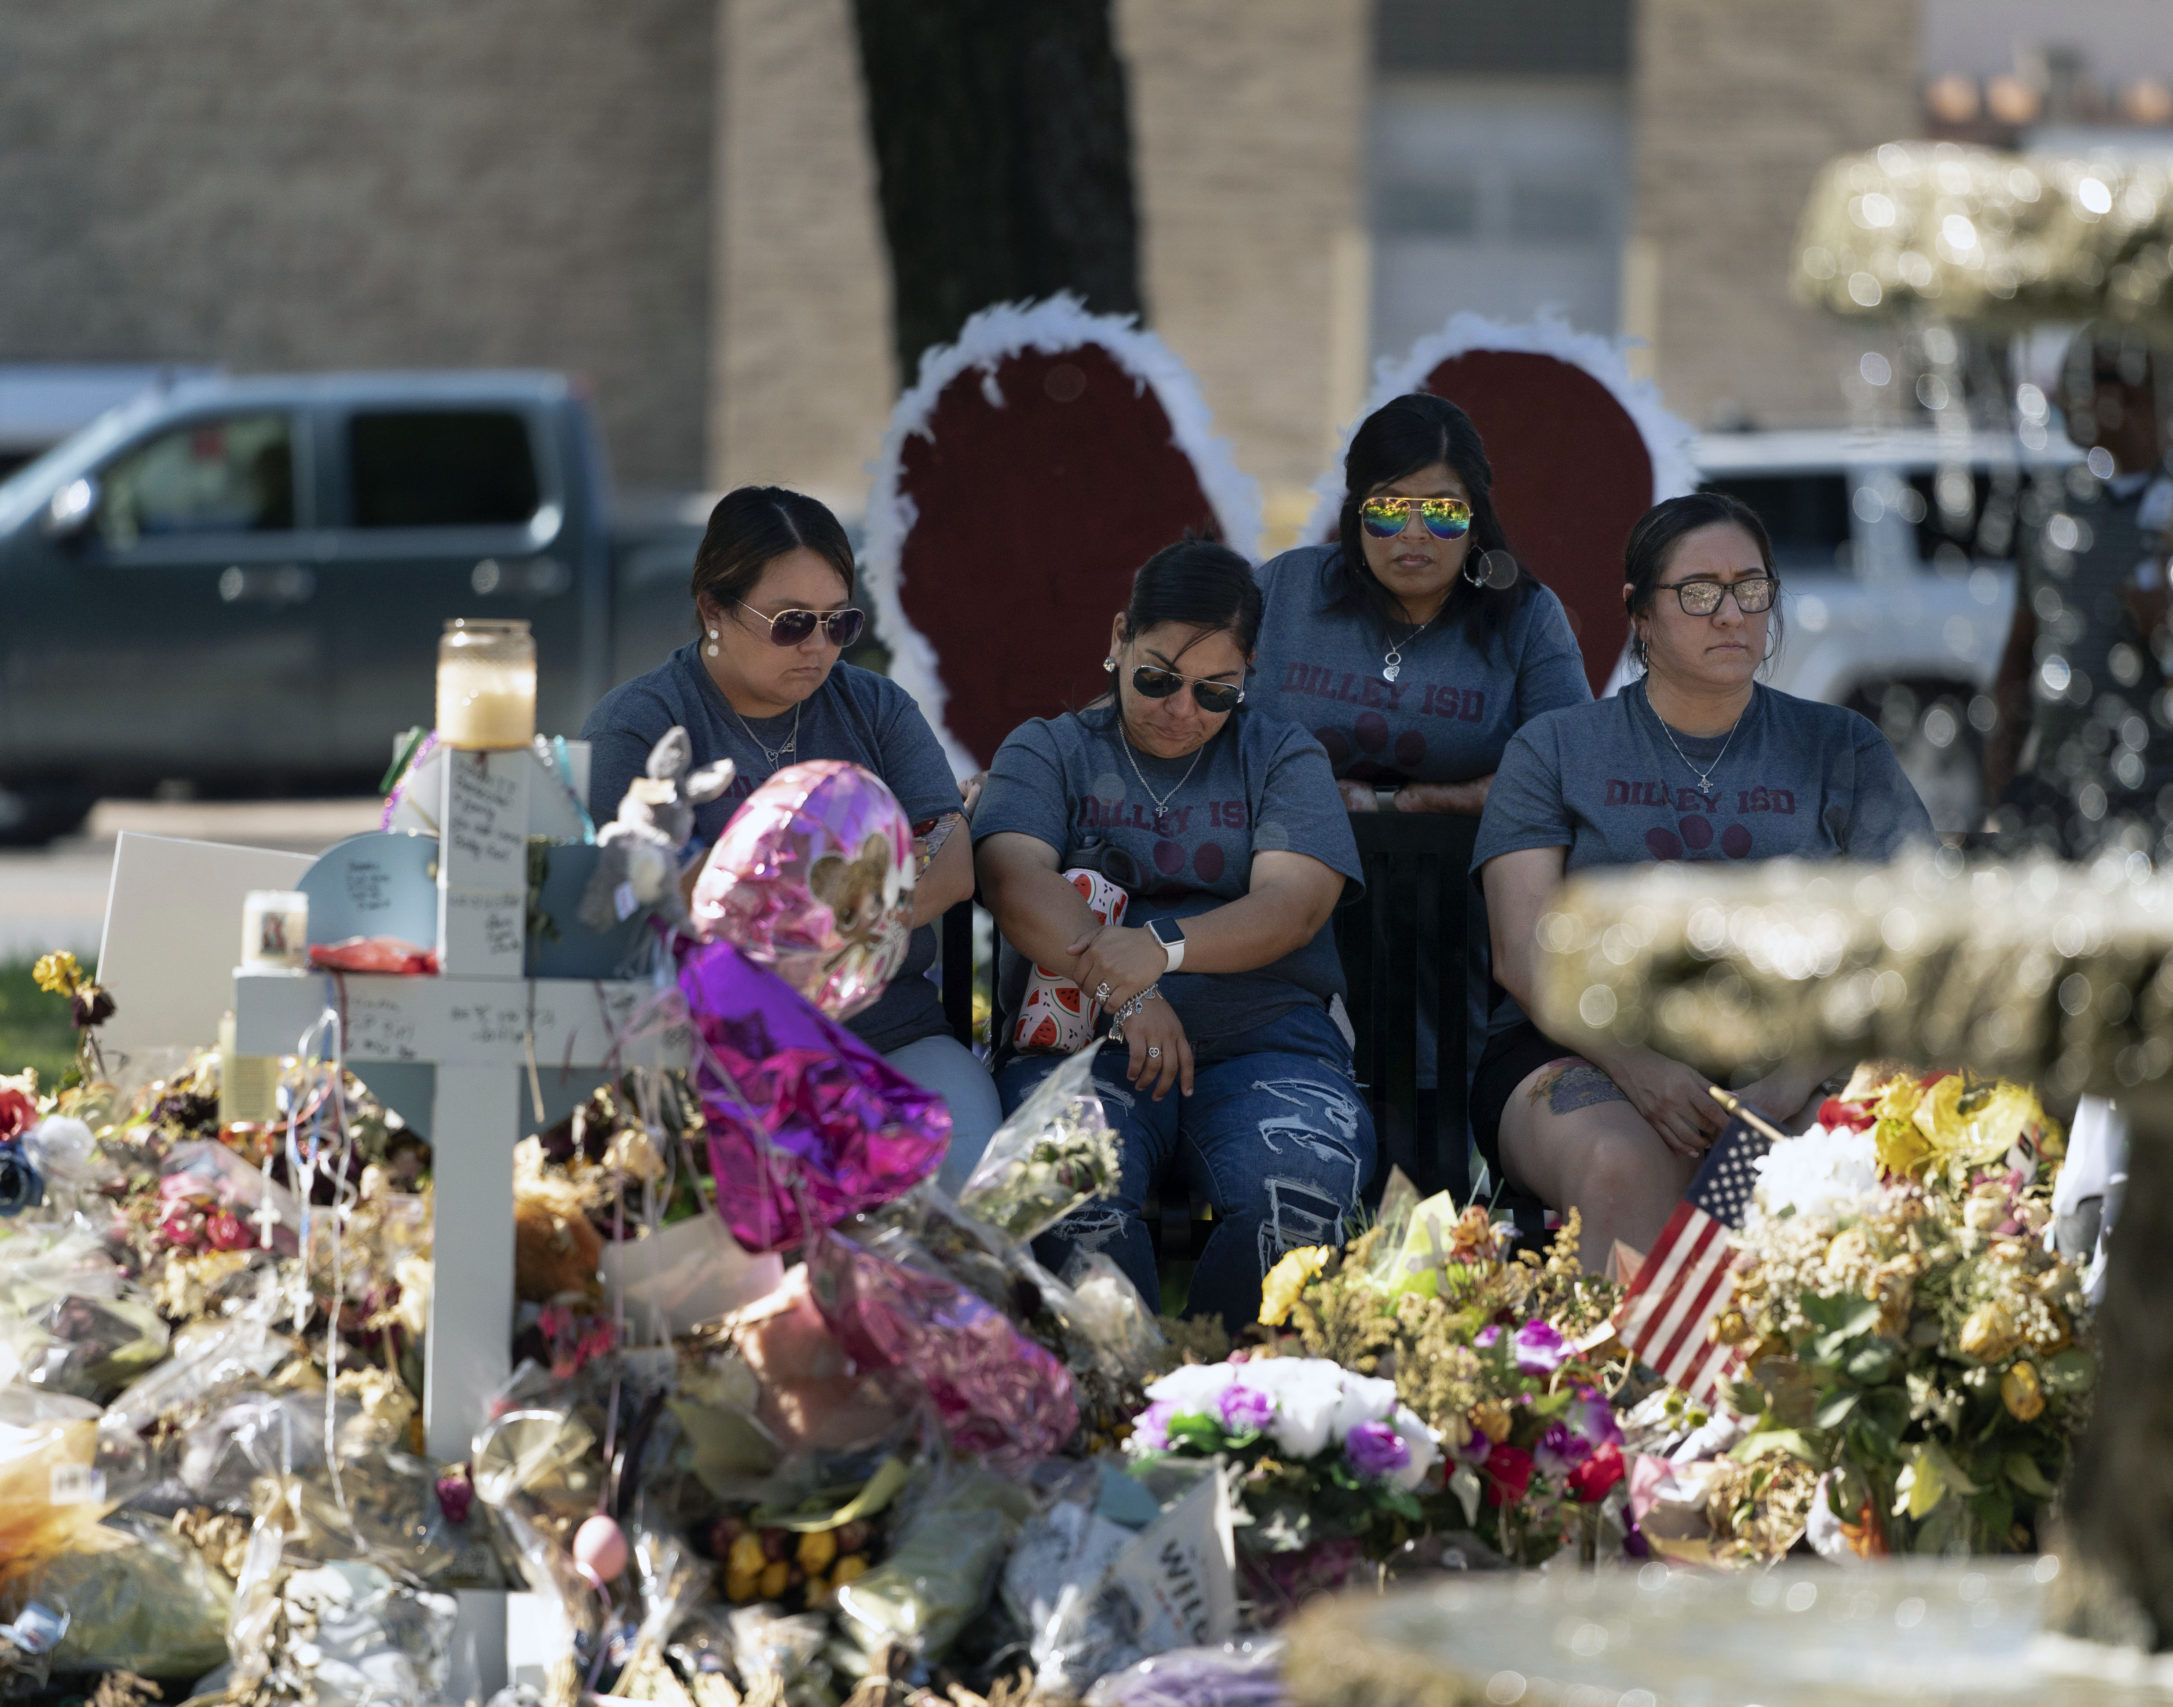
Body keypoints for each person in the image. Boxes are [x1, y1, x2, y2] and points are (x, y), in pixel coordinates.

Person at [1472, 492, 1938, 1267]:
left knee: (1838, 1162)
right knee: (1623, 1165)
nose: (1730, 613)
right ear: (1639, 614)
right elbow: (1522, 952)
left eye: (1750, 588)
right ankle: (1614, 1384)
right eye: (1698, 592)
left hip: (1795, 1056)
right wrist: (1638, 1066)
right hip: (1585, 1048)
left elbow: (1917, 930)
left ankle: (1788, 1382)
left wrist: (1796, 1080)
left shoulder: (1840, 749)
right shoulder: (1555, 748)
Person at [972, 540, 1373, 1330]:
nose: (1181, 710)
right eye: (1156, 678)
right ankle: (1112, 1415)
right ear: (1118, 638)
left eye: (1215, 691)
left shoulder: (1279, 753)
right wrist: (1132, 991)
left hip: (1269, 1046)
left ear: (1247, 674)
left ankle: (1231, 1408)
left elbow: (1294, 904)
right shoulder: (1048, 749)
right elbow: (1015, 882)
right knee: (1067, 1198)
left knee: (1299, 1198)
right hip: (1088, 1050)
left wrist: (1159, 948)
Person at [582, 485, 1001, 1187]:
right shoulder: (641, 729)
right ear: (712, 609)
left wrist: (823, 933)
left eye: (840, 624)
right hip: (722, 1055)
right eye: (790, 623)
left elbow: (952, 862)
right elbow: (622, 916)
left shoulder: (874, 707)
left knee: (976, 1195)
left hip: (892, 1036)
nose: (817, 647)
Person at [1252, 392, 1591, 817]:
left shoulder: (1527, 616)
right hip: (1280, 846)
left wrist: (1414, 802)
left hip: (1473, 863)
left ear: (1475, 520)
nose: (1414, 532)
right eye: (1388, 508)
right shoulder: (1283, 588)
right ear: (1356, 515)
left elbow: (1573, 770)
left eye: (1442, 511)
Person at [1983, 326, 2173, 859]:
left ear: (2128, 395)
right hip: (2065, 791)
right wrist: (2000, 787)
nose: (2061, 398)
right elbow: (2021, 652)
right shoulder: (2053, 508)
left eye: (2076, 383)